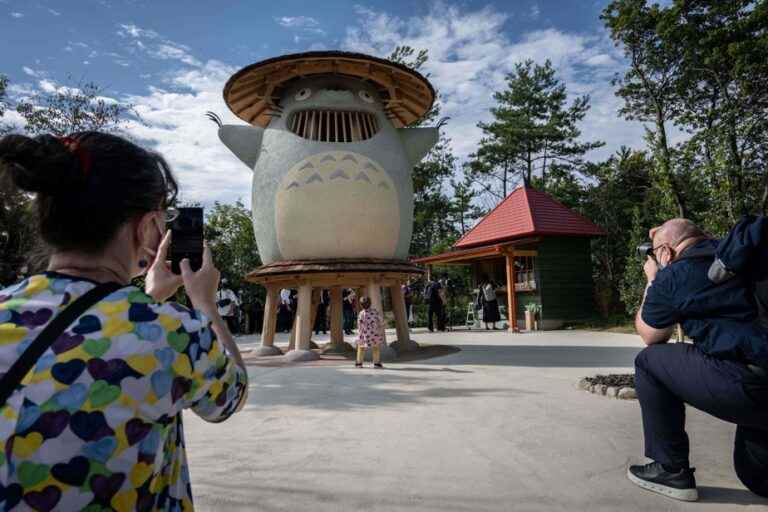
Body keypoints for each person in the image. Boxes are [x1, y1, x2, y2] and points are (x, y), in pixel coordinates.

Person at [0, 132, 248, 509]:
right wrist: (204, 302)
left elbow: (76, 337)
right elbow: (230, 397)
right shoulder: (170, 332)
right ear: (145, 226)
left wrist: (148, 297)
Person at [630, 218, 768, 501]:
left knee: (649, 361)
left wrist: (653, 281)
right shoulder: (741, 254)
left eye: (656, 252)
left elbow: (650, 334)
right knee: (755, 475)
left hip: (750, 385)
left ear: (666, 252)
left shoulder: (674, 276)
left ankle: (672, 470)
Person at [354, 296, 384, 369]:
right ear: (370, 303)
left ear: (361, 305)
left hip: (364, 333)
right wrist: (381, 327)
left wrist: (359, 333)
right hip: (374, 333)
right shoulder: (375, 311)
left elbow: (359, 325)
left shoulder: (361, 313)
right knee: (376, 348)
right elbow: (381, 321)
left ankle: (359, 363)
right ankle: (376, 363)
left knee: (361, 348)